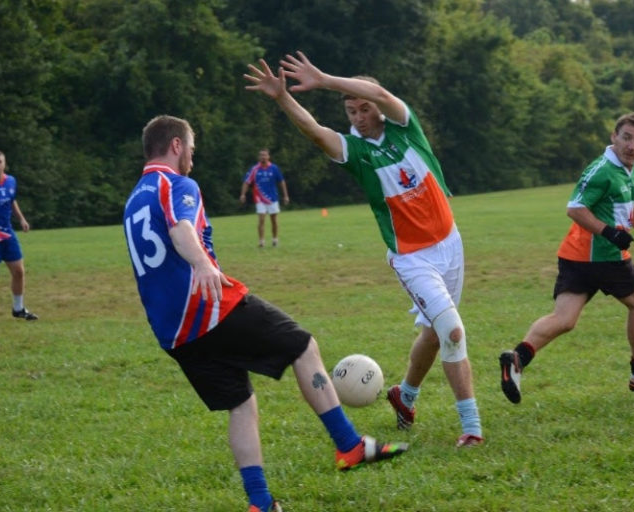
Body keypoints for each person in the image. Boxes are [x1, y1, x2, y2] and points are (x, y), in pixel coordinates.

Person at [123, 115, 406, 512]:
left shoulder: (135, 197)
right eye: (190, 148)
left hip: (173, 332)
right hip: (207, 306)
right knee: (303, 346)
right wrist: (204, 265)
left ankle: (261, 503)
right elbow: (181, 230)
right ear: (175, 146)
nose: (192, 156)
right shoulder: (176, 184)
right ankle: (350, 446)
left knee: (242, 404)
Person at [244, 52, 484, 447]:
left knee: (435, 332)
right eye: (351, 111)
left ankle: (404, 396)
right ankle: (471, 428)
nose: (358, 116)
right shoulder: (355, 153)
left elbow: (378, 90)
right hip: (412, 258)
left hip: (451, 243)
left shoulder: (406, 128)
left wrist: (323, 79)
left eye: (364, 108)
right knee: (452, 330)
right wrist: (283, 98)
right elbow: (316, 132)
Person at [498, 112, 634, 404]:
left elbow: (628, 207)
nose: (631, 145)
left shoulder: (630, 168)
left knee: (564, 319)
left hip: (576, 256)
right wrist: (609, 233)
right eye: (626, 137)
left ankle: (517, 359)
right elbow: (575, 208)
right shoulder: (602, 169)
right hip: (603, 256)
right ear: (613, 137)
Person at [0, 150, 38, 323]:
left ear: (4, 163)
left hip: (7, 234)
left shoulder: (11, 181)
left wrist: (21, 219)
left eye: (0, 161)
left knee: (19, 271)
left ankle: (18, 308)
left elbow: (12, 200)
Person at [239, 148, 290, 248]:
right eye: (261, 155)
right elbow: (247, 182)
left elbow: (281, 182)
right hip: (259, 199)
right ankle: (261, 241)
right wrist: (243, 194)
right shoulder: (254, 169)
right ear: (259, 157)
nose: (263, 157)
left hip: (273, 198)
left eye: (265, 155)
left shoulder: (274, 168)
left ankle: (275, 239)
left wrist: (286, 195)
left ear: (268, 156)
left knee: (274, 220)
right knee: (261, 219)